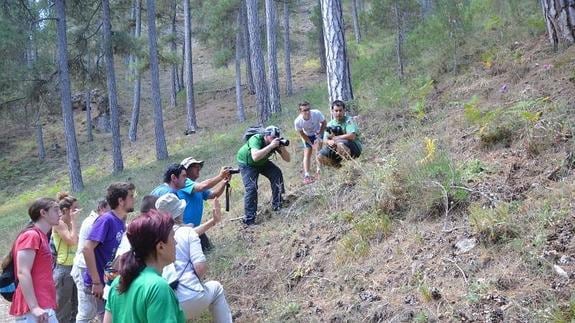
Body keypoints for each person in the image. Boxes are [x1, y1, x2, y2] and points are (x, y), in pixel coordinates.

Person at [157, 194, 232, 322]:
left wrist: (213, 222)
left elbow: (187, 233)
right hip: (192, 294)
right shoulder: (187, 232)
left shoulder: (155, 238)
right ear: (180, 211)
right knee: (216, 288)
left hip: (167, 305)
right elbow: (200, 267)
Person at [103, 211, 186, 323]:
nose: (176, 243)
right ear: (160, 247)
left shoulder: (118, 283)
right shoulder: (158, 288)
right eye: (172, 237)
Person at [82, 182, 135, 321]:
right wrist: (96, 282)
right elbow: (87, 248)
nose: (134, 199)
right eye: (130, 196)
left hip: (109, 281)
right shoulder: (106, 220)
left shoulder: (120, 221)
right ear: (120, 201)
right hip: (98, 283)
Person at [9, 198, 61, 323]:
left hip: (42, 305)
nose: (60, 213)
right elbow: (23, 271)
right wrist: (34, 307)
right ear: (43, 213)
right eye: (55, 210)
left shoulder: (42, 236)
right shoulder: (31, 235)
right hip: (34, 309)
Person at [236, 125, 290, 226]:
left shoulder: (275, 143)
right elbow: (255, 157)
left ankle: (277, 205)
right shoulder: (256, 139)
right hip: (248, 164)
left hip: (262, 162)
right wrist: (271, 146)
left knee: (276, 174)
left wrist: (282, 148)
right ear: (266, 136)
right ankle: (249, 219)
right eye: (272, 137)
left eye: (276, 137)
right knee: (251, 188)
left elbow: (288, 159)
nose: (275, 140)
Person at [177, 157, 230, 251]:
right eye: (195, 166)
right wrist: (220, 176)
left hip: (196, 228)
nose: (198, 169)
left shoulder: (196, 186)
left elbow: (214, 194)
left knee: (209, 251)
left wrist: (224, 182)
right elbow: (203, 186)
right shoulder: (184, 183)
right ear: (186, 170)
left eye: (199, 167)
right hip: (184, 229)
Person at [71, 199, 109, 323]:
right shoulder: (92, 223)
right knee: (86, 311)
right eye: (110, 209)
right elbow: (87, 250)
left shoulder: (98, 221)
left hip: (93, 269)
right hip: (84, 269)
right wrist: (96, 281)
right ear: (102, 208)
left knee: (100, 308)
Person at [52, 192, 80, 322]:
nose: (77, 211)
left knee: (76, 304)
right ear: (65, 210)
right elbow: (71, 241)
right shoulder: (59, 223)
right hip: (64, 269)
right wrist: (74, 222)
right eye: (74, 209)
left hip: (74, 267)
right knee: (63, 308)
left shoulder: (69, 224)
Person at [318, 100, 362, 167]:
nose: (338, 113)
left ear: (344, 110)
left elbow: (352, 136)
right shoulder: (330, 124)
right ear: (332, 111)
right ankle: (339, 167)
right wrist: (329, 141)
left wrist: (336, 138)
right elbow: (324, 140)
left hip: (353, 147)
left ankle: (350, 164)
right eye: (336, 111)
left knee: (340, 144)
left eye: (340, 110)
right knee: (320, 156)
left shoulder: (348, 120)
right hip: (336, 148)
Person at [293, 101, 326, 184]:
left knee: (318, 150)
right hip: (307, 136)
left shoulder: (316, 113)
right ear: (300, 111)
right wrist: (311, 144)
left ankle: (319, 171)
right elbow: (302, 134)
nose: (307, 112)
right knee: (307, 152)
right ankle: (307, 175)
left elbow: (324, 122)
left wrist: (320, 134)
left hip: (318, 133)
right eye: (304, 110)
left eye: (308, 109)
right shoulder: (298, 121)